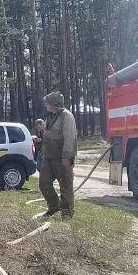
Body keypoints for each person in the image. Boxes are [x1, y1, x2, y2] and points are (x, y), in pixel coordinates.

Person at [38, 91, 77, 219]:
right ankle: (54, 206)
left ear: (54, 104)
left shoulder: (66, 116)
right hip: (48, 156)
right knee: (44, 183)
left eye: (47, 102)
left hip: (62, 157)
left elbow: (69, 137)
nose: (45, 105)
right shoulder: (50, 116)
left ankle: (67, 213)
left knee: (65, 186)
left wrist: (66, 155)